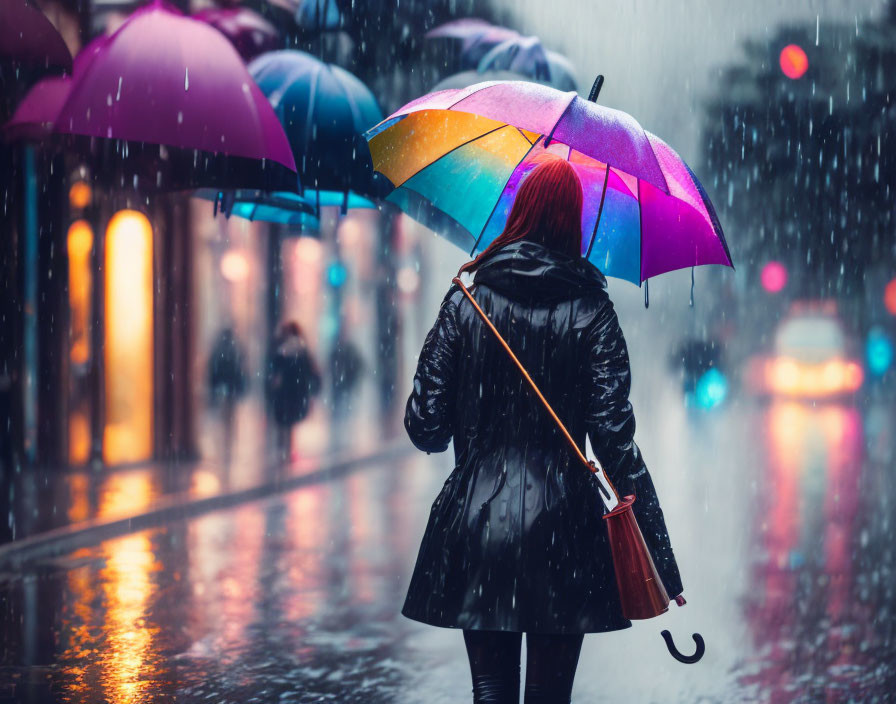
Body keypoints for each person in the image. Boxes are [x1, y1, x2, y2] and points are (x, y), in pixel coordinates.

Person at [403, 157, 683, 703]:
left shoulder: (467, 302)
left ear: (519, 212)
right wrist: (660, 559)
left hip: (478, 522)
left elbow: (425, 427)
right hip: (564, 530)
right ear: (576, 223)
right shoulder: (593, 310)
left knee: (491, 692)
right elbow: (614, 438)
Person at [266, 321, 321, 461]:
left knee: (284, 422)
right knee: (289, 422)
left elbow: (274, 371)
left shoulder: (281, 349)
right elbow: (311, 371)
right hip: (295, 391)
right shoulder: (301, 349)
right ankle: (287, 450)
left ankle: (283, 450)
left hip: (284, 392)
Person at [207, 328, 247, 462]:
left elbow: (213, 368)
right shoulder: (234, 349)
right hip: (231, 387)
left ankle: (225, 438)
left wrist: (213, 385)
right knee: (230, 412)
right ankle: (229, 438)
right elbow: (240, 370)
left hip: (223, 386)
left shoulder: (220, 349)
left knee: (224, 413)